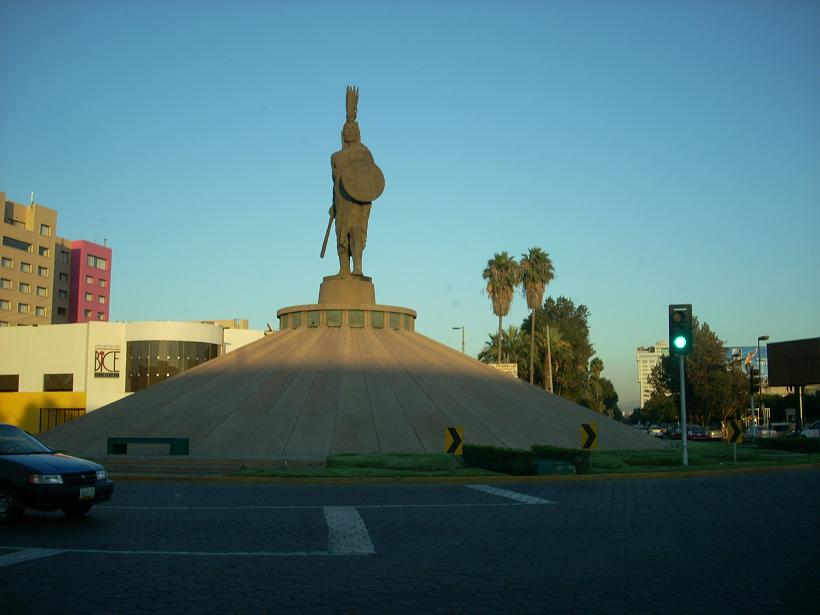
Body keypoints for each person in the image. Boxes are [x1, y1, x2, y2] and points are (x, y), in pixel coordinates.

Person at [329, 86, 376, 277]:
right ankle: (343, 269)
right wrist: (333, 205)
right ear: (342, 133)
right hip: (341, 201)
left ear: (357, 132)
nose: (349, 131)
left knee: (355, 232)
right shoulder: (335, 157)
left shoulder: (363, 153)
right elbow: (335, 184)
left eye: (352, 129)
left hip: (357, 200)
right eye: (346, 129)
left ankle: (358, 266)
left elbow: (371, 179)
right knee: (341, 234)